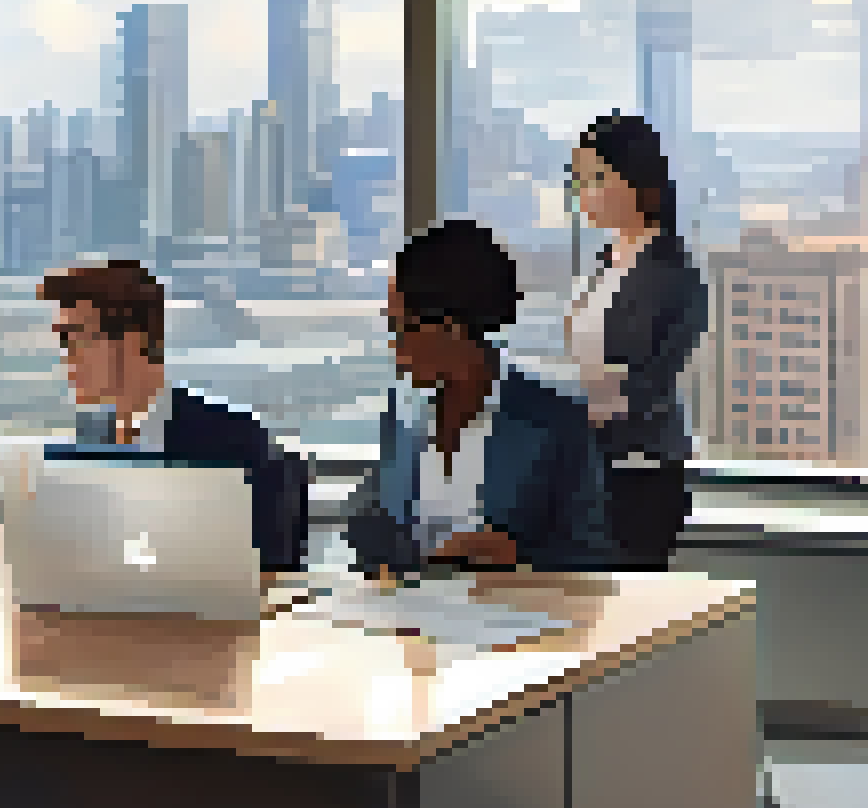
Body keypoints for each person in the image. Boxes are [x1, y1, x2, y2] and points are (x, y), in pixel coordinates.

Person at [347, 220, 614, 575]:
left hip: (517, 608)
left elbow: (592, 558)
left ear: (450, 328)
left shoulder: (555, 422)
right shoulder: (402, 418)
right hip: (410, 609)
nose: (396, 348)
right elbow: (369, 533)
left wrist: (518, 560)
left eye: (402, 329)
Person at [38, 260, 309, 573]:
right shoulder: (88, 445)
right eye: (63, 341)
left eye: (77, 338)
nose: (67, 356)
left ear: (134, 340)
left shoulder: (236, 441)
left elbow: (273, 571)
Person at [566, 112, 708, 570]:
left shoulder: (671, 271)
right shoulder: (604, 262)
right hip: (590, 465)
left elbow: (650, 382)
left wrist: (570, 413)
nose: (583, 192)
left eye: (596, 178)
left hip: (640, 469)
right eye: (578, 180)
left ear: (638, 181)